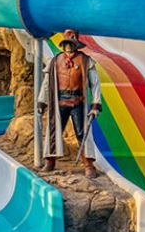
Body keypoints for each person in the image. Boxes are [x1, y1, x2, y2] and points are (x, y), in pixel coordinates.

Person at [37, 29, 102, 177]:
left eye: (71, 43)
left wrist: (96, 105)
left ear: (76, 44)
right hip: (60, 101)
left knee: (82, 131)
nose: (68, 47)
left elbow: (95, 84)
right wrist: (42, 100)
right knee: (54, 130)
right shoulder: (55, 61)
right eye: (66, 43)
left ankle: (88, 164)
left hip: (78, 102)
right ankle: (50, 161)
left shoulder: (86, 61)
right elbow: (47, 83)